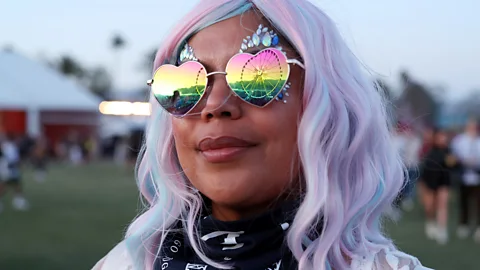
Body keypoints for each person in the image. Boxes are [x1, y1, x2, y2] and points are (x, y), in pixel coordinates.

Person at [93, 1, 431, 269]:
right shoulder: (126, 263)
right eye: (184, 83)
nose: (213, 105)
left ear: (328, 105)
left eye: (259, 74)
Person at [420, 129, 457, 244]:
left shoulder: (449, 151)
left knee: (443, 204)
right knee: (430, 206)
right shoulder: (429, 150)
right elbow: (425, 166)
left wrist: (454, 162)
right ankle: (430, 223)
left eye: (444, 137)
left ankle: (442, 229)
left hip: (443, 181)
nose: (443, 139)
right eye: (441, 137)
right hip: (430, 180)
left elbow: (454, 165)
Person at [451, 119, 480, 243]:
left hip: (477, 175)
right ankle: (464, 224)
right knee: (464, 201)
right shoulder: (459, 140)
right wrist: (463, 161)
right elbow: (454, 155)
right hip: (463, 175)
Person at [0, 133, 29, 211]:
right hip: (8, 168)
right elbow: (12, 159)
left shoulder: (9, 146)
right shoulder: (9, 146)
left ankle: (18, 200)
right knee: (5, 185)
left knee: (16, 184)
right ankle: (18, 201)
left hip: (9, 168)